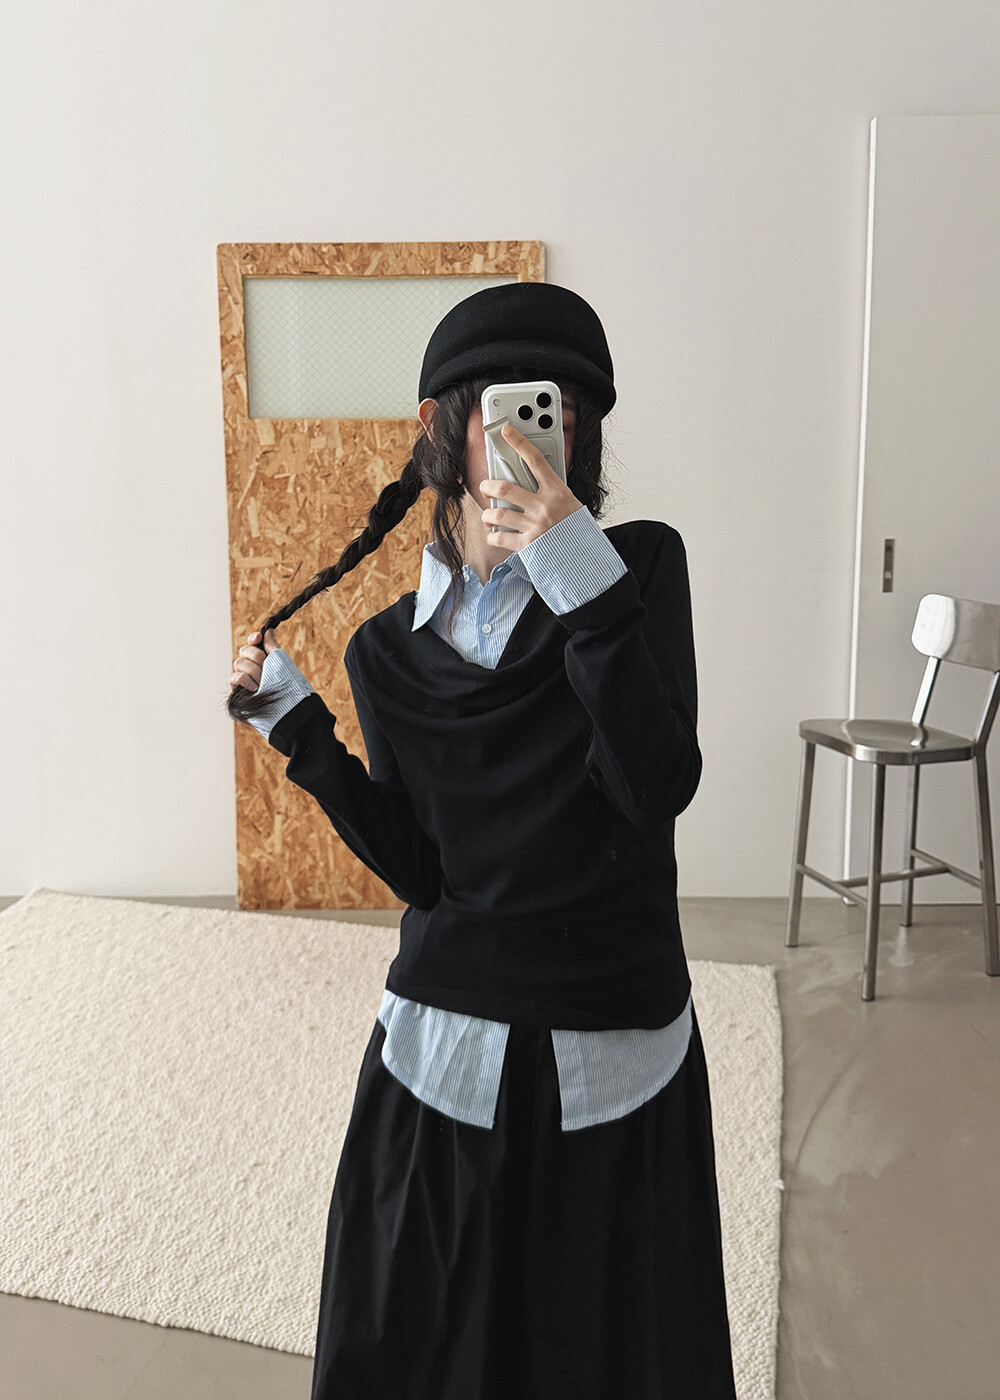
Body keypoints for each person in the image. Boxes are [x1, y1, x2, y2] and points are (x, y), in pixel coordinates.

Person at [226, 282, 738, 1400]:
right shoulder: (384, 651)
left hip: (615, 1048)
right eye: (508, 410)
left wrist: (574, 571)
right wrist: (298, 727)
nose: (536, 438)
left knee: (611, 1354)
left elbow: (655, 786)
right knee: (414, 1349)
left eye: (562, 414)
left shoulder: (638, 571)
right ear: (439, 423)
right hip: (440, 1049)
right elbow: (422, 869)